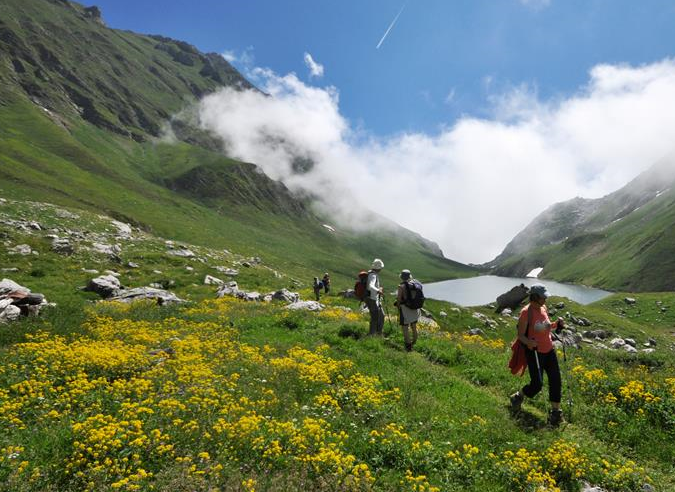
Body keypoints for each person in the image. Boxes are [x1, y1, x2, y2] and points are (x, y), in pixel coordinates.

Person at [509, 283, 566, 426]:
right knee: (537, 384)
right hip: (534, 352)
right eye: (543, 297)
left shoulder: (543, 308)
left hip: (549, 350)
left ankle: (555, 413)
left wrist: (556, 324)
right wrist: (529, 342)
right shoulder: (526, 312)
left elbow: (546, 327)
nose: (545, 299)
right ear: (535, 297)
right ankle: (518, 396)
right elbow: (520, 335)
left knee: (556, 380)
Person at [396, 269, 420, 352]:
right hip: (415, 309)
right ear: (409, 277)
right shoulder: (415, 284)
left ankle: (408, 346)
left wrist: (398, 306)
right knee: (414, 326)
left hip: (405, 309)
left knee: (405, 327)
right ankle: (414, 342)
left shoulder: (401, 286)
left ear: (402, 277)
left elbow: (399, 299)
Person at [365, 259, 385, 336]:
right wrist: (378, 291)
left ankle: (378, 333)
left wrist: (378, 289)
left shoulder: (371, 273)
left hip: (372, 299)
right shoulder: (373, 275)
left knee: (380, 315)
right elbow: (370, 286)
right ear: (379, 268)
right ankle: (372, 334)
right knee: (375, 317)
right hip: (372, 299)